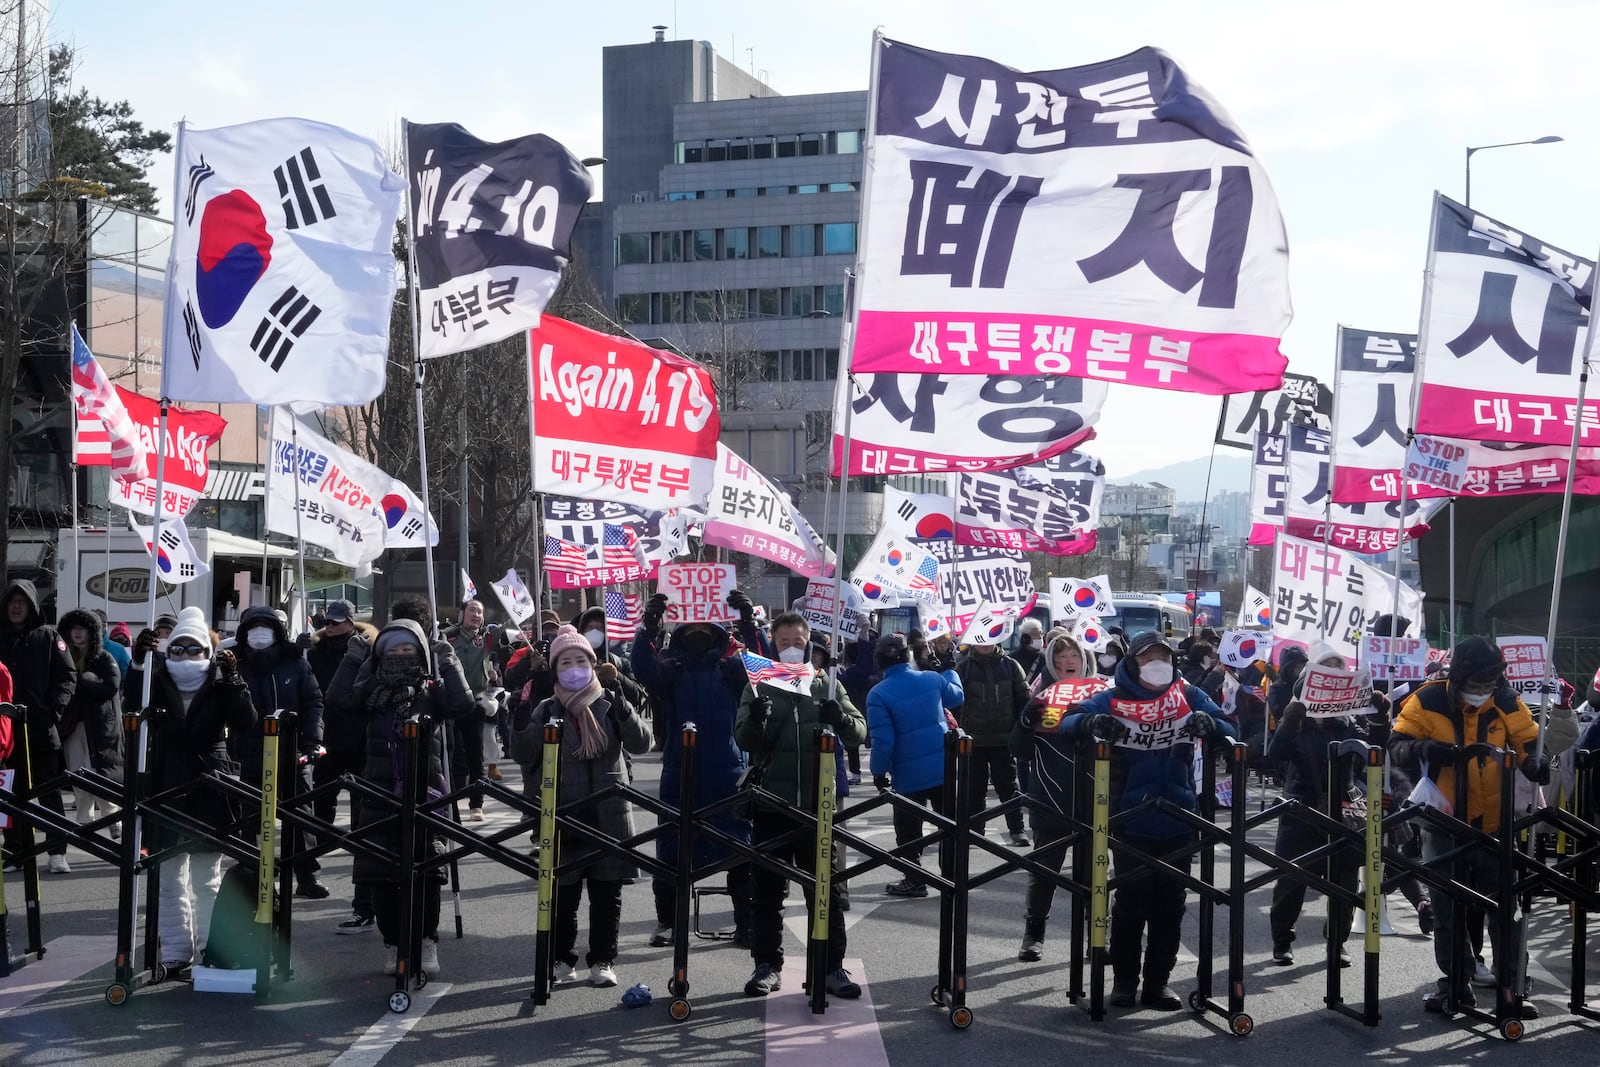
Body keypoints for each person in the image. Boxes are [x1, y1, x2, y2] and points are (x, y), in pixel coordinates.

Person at [1059, 631, 1235, 1010]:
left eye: (1163, 656)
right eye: (1148, 657)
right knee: (1131, 904)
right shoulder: (1113, 698)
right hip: (1129, 817)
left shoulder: (1187, 695)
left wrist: (1210, 724)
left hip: (1178, 816)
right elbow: (1067, 721)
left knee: (1170, 907)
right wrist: (1092, 726)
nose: (1157, 663)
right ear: (1132, 662)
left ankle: (1158, 983)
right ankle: (1124, 981)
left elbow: (1228, 729)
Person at [1389, 636, 1545, 1015]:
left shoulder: (1507, 702)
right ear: (1458, 678)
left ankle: (1511, 987)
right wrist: (1423, 749)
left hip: (1493, 823)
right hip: (1442, 820)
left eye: (1489, 684)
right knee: (1446, 907)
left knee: (1506, 906)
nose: (1482, 692)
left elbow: (1528, 742)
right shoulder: (1427, 700)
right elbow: (1395, 744)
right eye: (1476, 684)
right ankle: (1454, 986)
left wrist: (1534, 764)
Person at [330, 615, 472, 978]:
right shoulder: (372, 687)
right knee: (379, 873)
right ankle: (393, 941)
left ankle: (426, 940)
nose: (401, 654)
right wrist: (352, 657)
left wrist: (449, 659)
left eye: (409, 647)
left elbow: (462, 705)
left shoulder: (432, 689)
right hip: (378, 792)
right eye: (392, 649)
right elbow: (339, 699)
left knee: (426, 872)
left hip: (426, 792)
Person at [736, 612, 868, 999]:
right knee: (766, 893)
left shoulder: (828, 685)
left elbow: (859, 731)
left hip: (819, 807)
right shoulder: (758, 686)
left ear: (810, 644)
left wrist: (839, 717)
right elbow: (743, 737)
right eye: (783, 642)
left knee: (826, 891)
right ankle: (766, 966)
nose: (791, 647)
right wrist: (757, 721)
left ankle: (830, 967)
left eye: (798, 640)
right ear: (773, 647)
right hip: (771, 806)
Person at [512, 625, 651, 988]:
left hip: (609, 812)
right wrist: (518, 718)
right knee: (563, 893)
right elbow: (524, 753)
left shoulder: (609, 702)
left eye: (580, 660)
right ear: (555, 669)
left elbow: (642, 744)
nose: (574, 668)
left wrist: (624, 706)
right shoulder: (547, 708)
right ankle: (561, 957)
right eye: (565, 662)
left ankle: (603, 959)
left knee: (607, 895)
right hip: (563, 813)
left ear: (593, 664)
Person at [126, 607, 257, 970]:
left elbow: (246, 720)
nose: (185, 656)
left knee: (206, 878)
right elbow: (133, 704)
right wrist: (138, 663)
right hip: (165, 779)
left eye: (194, 649)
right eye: (178, 649)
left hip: (211, 781)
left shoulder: (219, 680)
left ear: (207, 651)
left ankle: (208, 951)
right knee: (169, 878)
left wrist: (234, 680)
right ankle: (175, 952)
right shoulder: (158, 677)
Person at [630, 592, 757, 949]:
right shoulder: (672, 669)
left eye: (706, 627)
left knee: (739, 850)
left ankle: (746, 922)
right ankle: (667, 923)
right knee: (671, 850)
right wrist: (649, 627)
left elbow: (762, 667)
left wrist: (748, 621)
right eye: (691, 628)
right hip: (680, 770)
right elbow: (643, 668)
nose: (698, 632)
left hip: (727, 771)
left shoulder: (730, 668)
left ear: (717, 631)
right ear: (681, 632)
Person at [1266, 645, 1374, 967]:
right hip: (1301, 806)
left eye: (1338, 671)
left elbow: (1374, 753)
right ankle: (1282, 940)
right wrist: (1289, 721)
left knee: (1344, 879)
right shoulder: (1297, 714)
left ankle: (1337, 941)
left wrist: (1380, 718)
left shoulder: (1349, 721)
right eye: (1325, 670)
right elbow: (1277, 754)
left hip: (1343, 809)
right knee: (1291, 879)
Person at [231, 605, 328, 900]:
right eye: (253, 627)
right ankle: (252, 872)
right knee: (250, 815)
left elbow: (313, 703)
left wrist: (312, 740)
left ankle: (306, 874)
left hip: (291, 749)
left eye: (267, 627)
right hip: (248, 751)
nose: (260, 633)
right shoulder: (233, 663)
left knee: (300, 813)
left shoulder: (295, 662)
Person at [1012, 631, 1098, 961]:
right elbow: (1019, 750)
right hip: (1049, 795)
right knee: (1043, 870)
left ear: (1084, 659)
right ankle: (1034, 933)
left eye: (1072, 657)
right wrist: (1024, 722)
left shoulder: (1103, 695)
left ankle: (1097, 934)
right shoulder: (1041, 695)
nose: (1066, 663)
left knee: (1095, 871)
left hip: (1095, 797)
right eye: (1059, 658)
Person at [867, 632, 964, 898]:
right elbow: (956, 697)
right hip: (942, 766)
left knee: (908, 829)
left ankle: (915, 878)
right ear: (909, 655)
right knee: (949, 825)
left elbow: (882, 740)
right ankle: (952, 878)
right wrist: (949, 670)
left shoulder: (878, 694)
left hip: (907, 774)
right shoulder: (932, 679)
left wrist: (878, 772)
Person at [307, 600, 378, 932]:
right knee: (319, 805)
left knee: (363, 820)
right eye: (328, 622)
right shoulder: (315, 651)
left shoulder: (369, 650)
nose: (331, 626)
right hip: (328, 738)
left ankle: (363, 903)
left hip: (363, 741)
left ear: (352, 622)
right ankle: (309, 866)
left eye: (338, 622)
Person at [0, 580, 76, 873]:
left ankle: (57, 851)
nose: (17, 607)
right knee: (11, 793)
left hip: (41, 731)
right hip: (7, 733)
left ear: (32, 605)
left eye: (22, 602)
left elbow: (67, 676)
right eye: (12, 601)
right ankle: (16, 851)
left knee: (49, 791)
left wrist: (52, 711)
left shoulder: (49, 637)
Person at [954, 638, 1031, 847]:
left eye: (989, 639)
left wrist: (1020, 728)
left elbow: (1024, 698)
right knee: (974, 788)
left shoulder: (1011, 665)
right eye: (980, 639)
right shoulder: (963, 667)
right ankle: (975, 830)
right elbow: (955, 702)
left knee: (1008, 787)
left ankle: (1017, 830)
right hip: (973, 739)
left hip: (1004, 739)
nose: (985, 644)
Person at [57, 610, 123, 842]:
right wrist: (84, 683)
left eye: (82, 628)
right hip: (73, 725)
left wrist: (79, 684)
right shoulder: (62, 656)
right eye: (73, 628)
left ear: (91, 632)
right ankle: (84, 819)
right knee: (77, 769)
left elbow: (111, 687)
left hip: (101, 726)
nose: (76, 633)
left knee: (102, 771)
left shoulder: (103, 658)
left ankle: (112, 818)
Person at [446, 599, 497, 820]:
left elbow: (510, 641)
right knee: (453, 753)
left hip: (475, 701)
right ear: (461, 614)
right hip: (450, 702)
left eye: (480, 611)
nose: (476, 615)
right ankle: (452, 803)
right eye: (472, 610)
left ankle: (477, 803)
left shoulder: (487, 638)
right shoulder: (447, 637)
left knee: (475, 754)